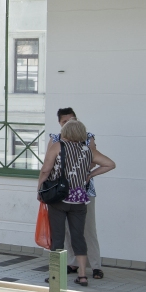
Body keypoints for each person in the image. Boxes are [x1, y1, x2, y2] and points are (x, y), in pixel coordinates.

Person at [36, 118, 115, 287]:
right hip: (80, 199)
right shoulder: (88, 150)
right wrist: (89, 175)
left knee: (58, 237)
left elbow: (45, 169)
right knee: (78, 236)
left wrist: (40, 189)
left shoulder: (58, 147)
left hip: (59, 197)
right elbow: (110, 164)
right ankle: (82, 275)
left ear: (66, 132)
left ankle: (56, 276)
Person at [51, 108, 104, 279]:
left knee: (87, 228)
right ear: (60, 124)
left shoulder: (87, 137)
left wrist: (87, 174)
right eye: (65, 122)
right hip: (62, 192)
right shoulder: (56, 139)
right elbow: (49, 164)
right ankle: (73, 263)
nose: (69, 124)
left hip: (84, 190)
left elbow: (93, 159)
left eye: (72, 120)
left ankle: (96, 265)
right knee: (66, 231)